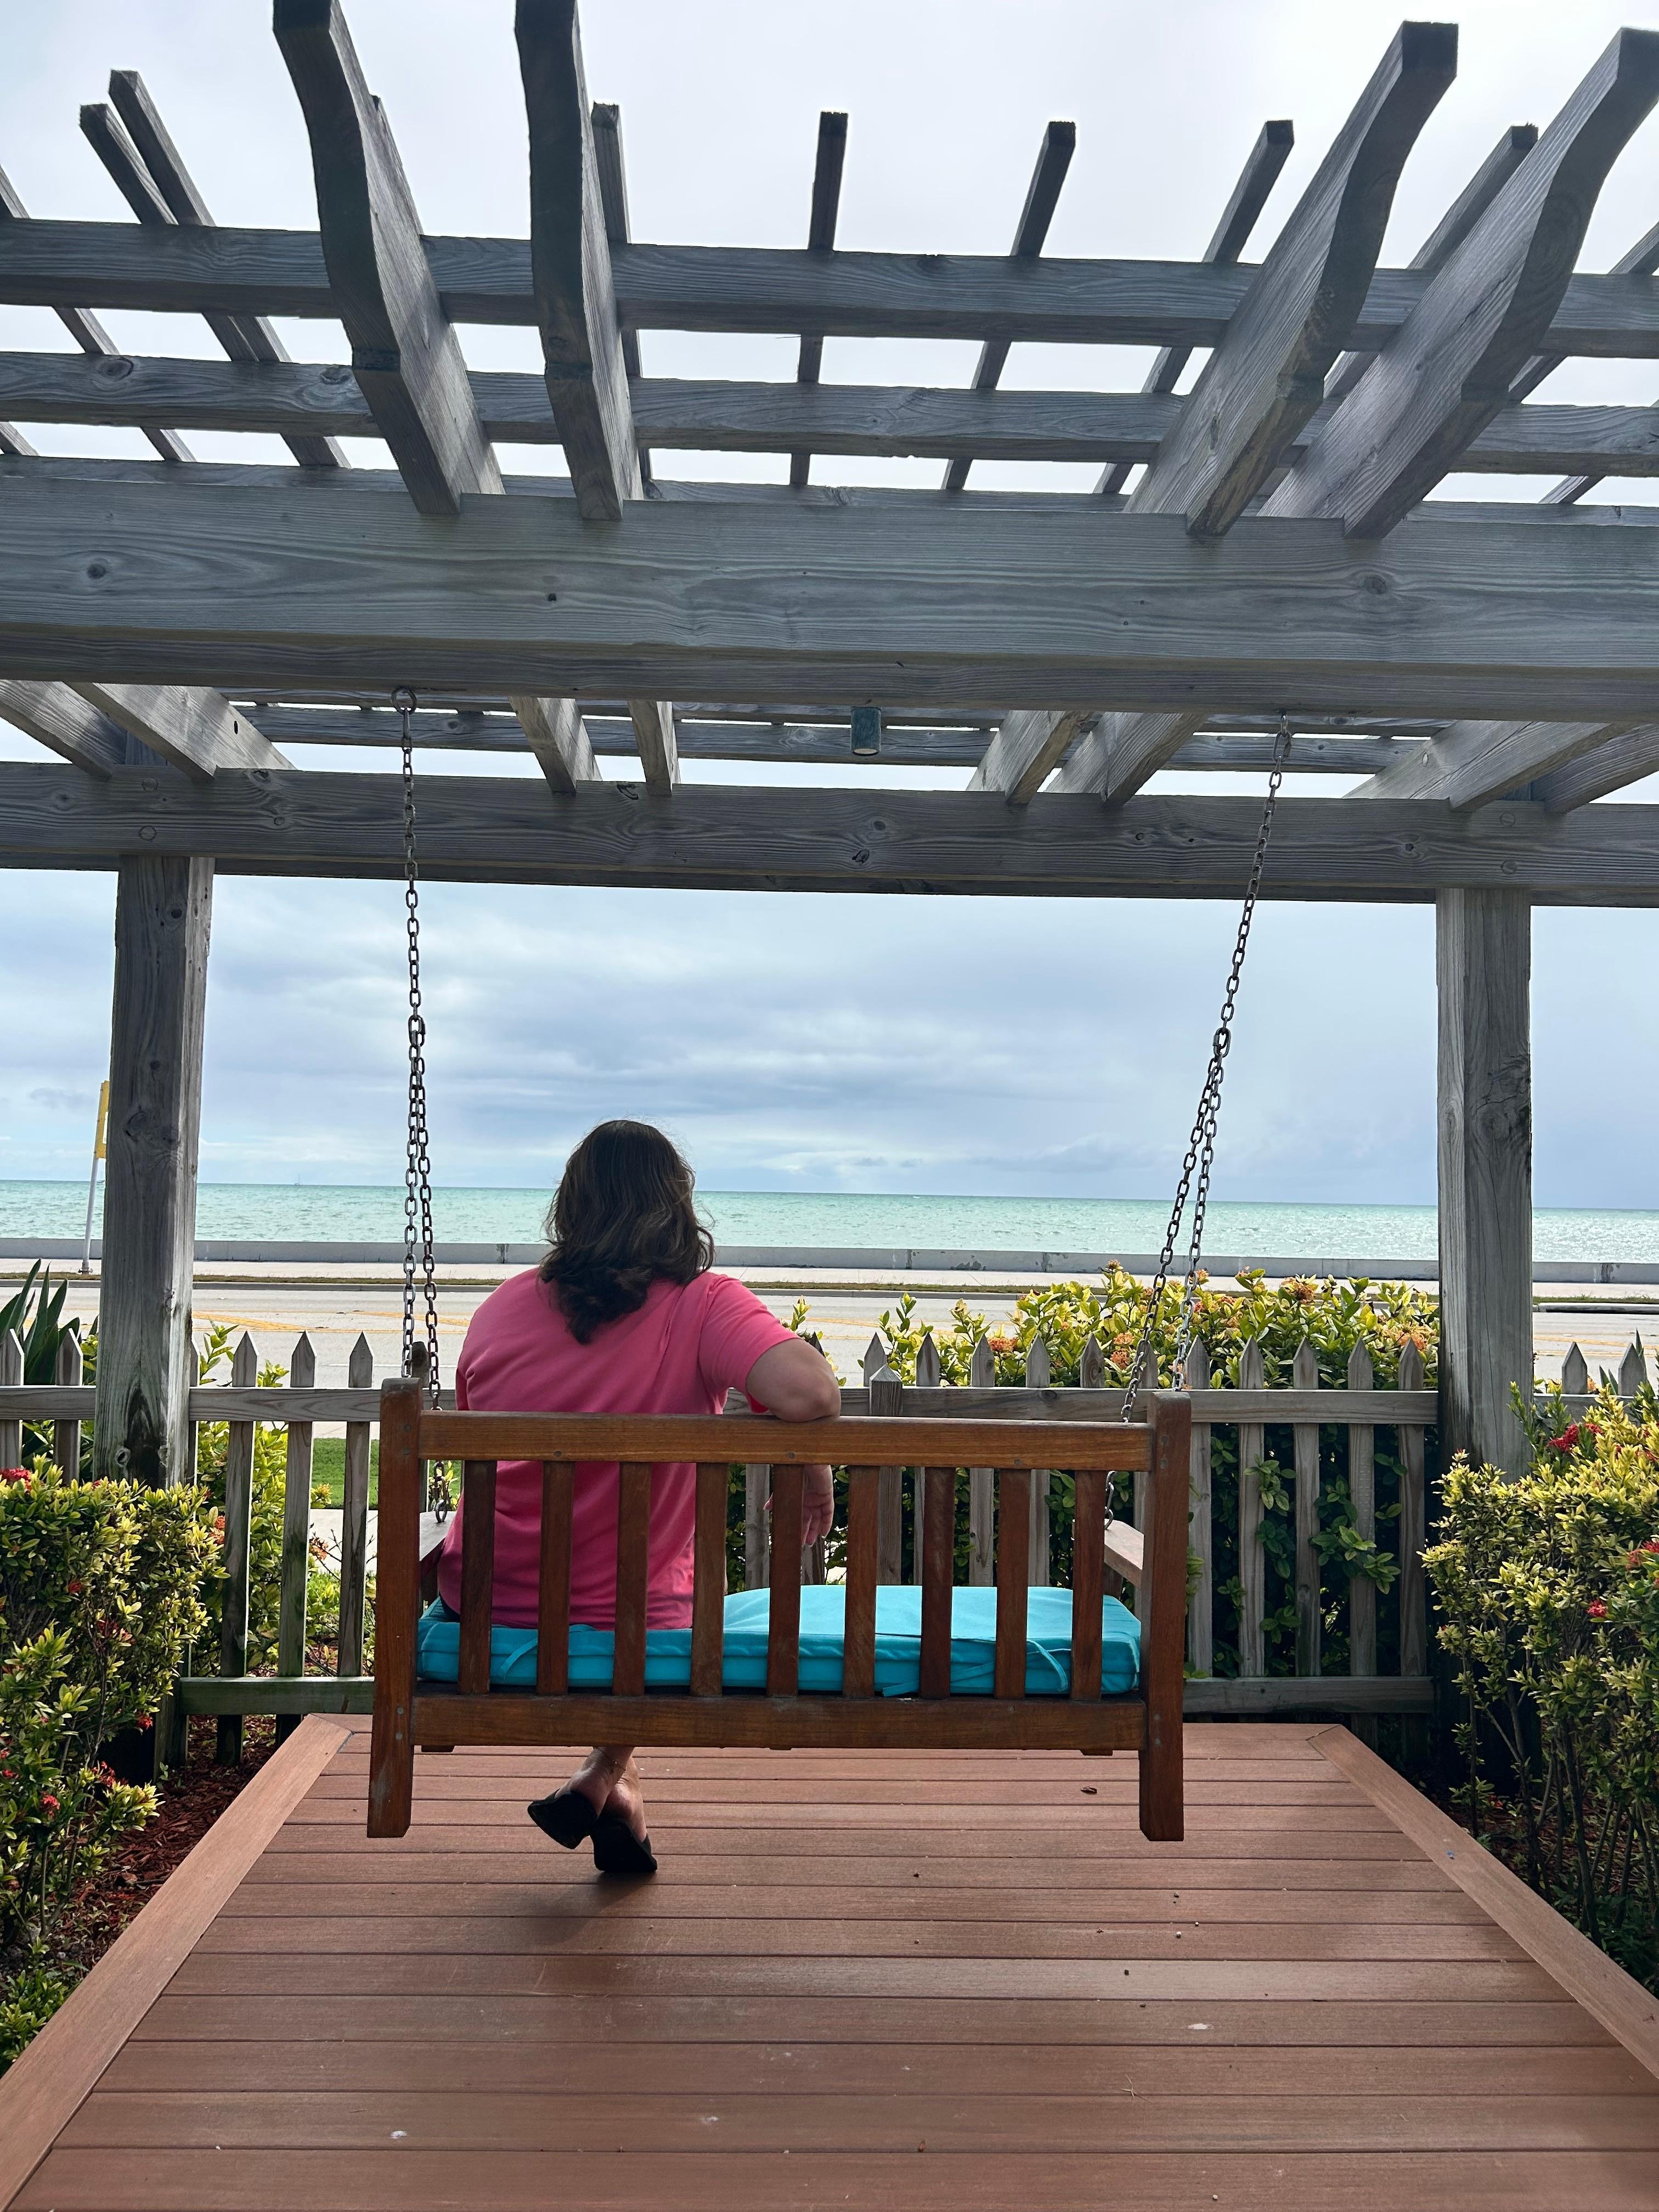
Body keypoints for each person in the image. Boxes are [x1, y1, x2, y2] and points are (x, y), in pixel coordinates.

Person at [435, 1119, 839, 1874]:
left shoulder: (500, 1310)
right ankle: (604, 1776)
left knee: (637, 1606)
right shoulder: (701, 1306)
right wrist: (813, 1462)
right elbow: (811, 1392)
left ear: (572, 1207)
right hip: (635, 1614)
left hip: (490, 1602)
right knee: (645, 1615)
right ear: (675, 1207)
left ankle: (611, 1789)